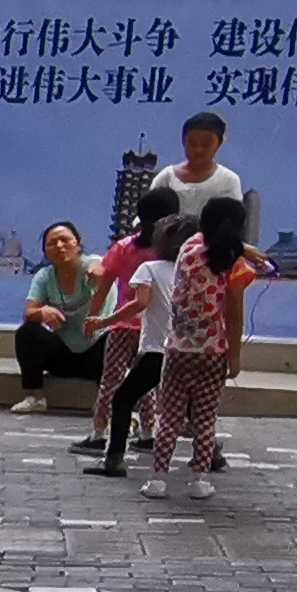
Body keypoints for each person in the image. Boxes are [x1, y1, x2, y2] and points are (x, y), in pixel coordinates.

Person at [148, 195, 255, 500]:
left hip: (178, 350)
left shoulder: (188, 249)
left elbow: (208, 239)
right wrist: (235, 357)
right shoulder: (233, 264)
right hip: (213, 353)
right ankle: (199, 480)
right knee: (205, 420)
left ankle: (158, 479)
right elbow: (234, 317)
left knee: (169, 418)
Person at [82, 203, 181, 479]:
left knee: (113, 383)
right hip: (164, 337)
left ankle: (101, 435)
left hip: (125, 326)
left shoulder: (127, 249)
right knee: (149, 390)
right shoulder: (180, 261)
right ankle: (149, 434)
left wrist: (96, 318)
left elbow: (108, 286)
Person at [8, 220, 105, 413]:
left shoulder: (90, 265)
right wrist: (41, 312)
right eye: (52, 243)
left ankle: (106, 401)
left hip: (97, 352)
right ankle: (35, 397)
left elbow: (99, 265)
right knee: (28, 332)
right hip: (63, 354)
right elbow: (29, 312)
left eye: (65, 240)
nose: (59, 246)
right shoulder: (44, 276)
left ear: (78, 244)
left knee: (118, 337)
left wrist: (97, 271)